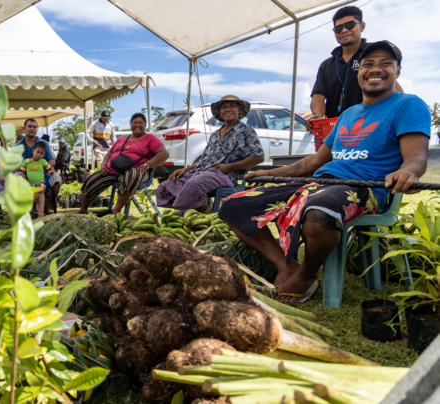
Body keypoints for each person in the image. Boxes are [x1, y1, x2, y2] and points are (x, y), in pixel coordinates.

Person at [219, 41, 431, 302]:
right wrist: (264, 173)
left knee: (320, 211)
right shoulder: (349, 114)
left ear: (398, 71)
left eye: (386, 63)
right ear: (359, 71)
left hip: (365, 186)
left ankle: (307, 275)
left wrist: (409, 171)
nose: (376, 69)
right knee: (233, 205)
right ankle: (286, 267)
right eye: (368, 63)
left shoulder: (408, 105)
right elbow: (315, 161)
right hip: (319, 182)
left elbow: (417, 155)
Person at [156, 95, 265, 215]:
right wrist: (185, 169)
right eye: (224, 107)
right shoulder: (215, 134)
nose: (228, 109)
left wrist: (229, 167)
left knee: (194, 184)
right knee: (165, 187)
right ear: (220, 111)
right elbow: (204, 160)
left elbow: (258, 157)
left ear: (239, 109)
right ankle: (205, 208)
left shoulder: (246, 130)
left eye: (232, 106)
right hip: (200, 173)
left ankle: (184, 218)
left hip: (224, 175)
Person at [308, 6, 402, 130]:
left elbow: (393, 87)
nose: (344, 30)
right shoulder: (326, 65)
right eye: (338, 28)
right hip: (335, 129)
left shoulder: (374, 53)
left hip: (371, 126)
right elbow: (318, 97)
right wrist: (318, 115)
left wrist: (403, 110)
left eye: (350, 25)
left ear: (362, 26)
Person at [77, 113, 169, 215]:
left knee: (132, 175)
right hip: (114, 170)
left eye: (140, 123)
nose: (137, 125)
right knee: (92, 178)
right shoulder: (122, 138)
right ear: (131, 124)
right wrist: (103, 165)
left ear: (145, 125)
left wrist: (147, 165)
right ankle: (83, 209)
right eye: (135, 122)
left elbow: (164, 154)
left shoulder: (150, 138)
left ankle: (116, 210)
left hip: (137, 170)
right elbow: (109, 154)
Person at [15, 118, 63, 214]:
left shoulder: (44, 143)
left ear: (37, 129)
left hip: (42, 173)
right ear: (24, 128)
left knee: (57, 177)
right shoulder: (17, 146)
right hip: (23, 173)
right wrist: (26, 170)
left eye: (35, 127)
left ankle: (46, 208)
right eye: (29, 126)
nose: (32, 129)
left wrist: (48, 167)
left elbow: (52, 160)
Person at [20, 142, 55, 218]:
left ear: (44, 154)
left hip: (40, 183)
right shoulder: (27, 161)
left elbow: (50, 168)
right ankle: (36, 214)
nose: (39, 154)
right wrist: (23, 175)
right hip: (30, 184)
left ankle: (41, 212)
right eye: (37, 152)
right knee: (35, 201)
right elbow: (23, 172)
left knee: (40, 192)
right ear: (33, 151)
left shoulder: (43, 162)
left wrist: (51, 171)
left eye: (41, 153)